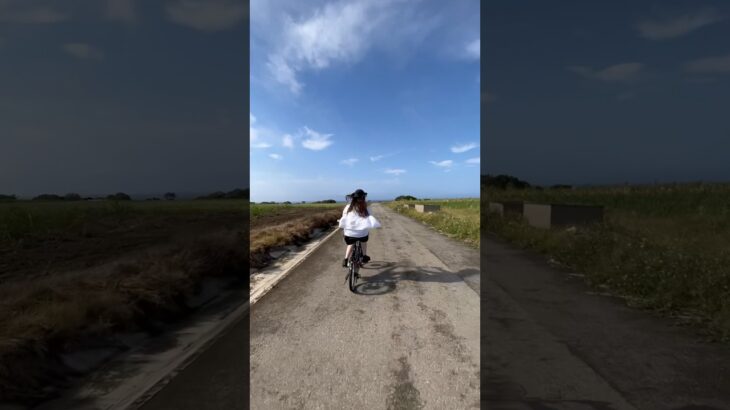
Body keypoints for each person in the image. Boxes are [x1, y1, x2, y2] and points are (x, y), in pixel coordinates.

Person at [339, 189, 381, 267]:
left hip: (349, 233)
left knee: (351, 243)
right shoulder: (365, 206)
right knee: (363, 241)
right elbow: (370, 216)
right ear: (363, 198)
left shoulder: (348, 207)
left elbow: (343, 216)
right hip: (362, 234)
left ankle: (345, 259)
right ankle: (364, 256)